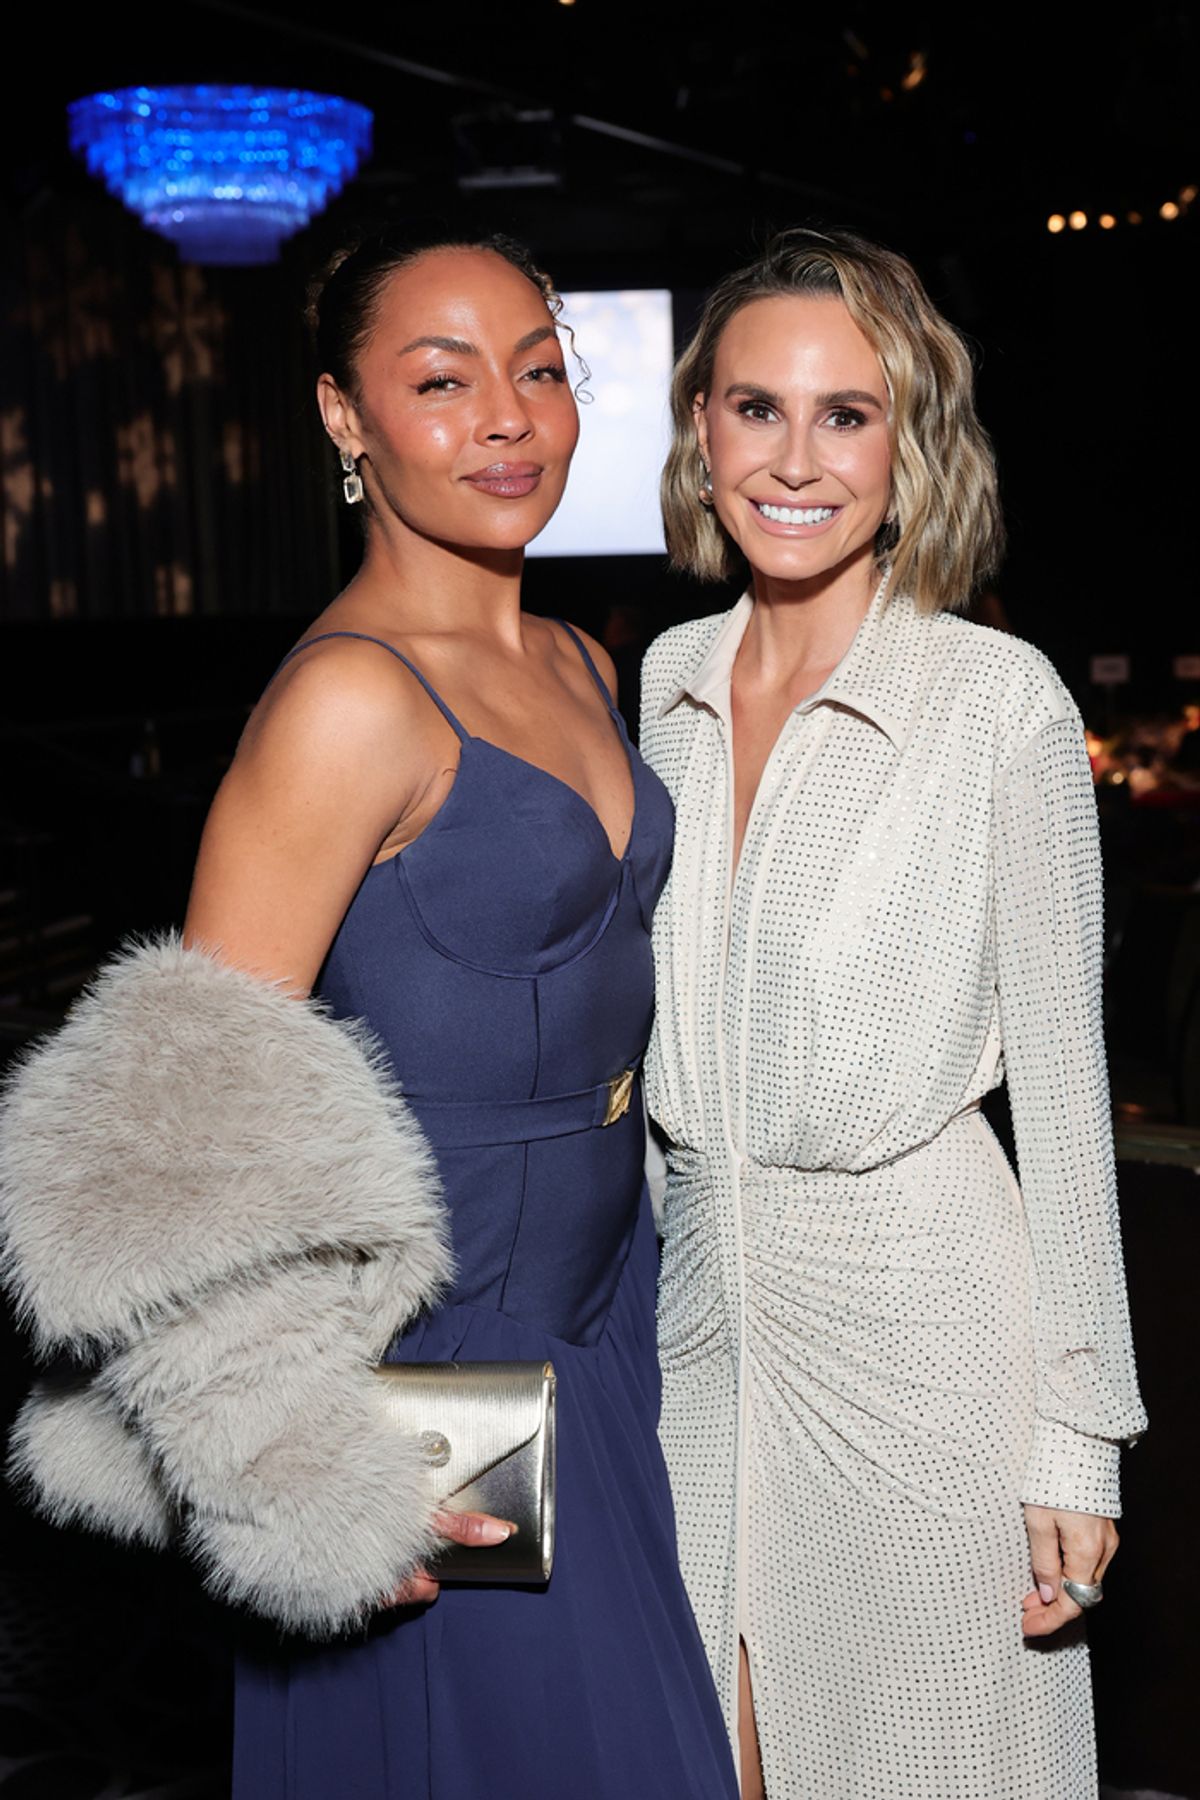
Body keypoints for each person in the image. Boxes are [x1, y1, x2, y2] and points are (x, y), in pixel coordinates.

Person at [0, 229, 737, 1800]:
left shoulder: (576, 658)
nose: (507, 417)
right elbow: (165, 1138)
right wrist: (293, 1481)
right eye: (441, 379)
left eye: (539, 370)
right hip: (437, 1379)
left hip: (608, 1330)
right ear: (346, 419)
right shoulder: (348, 700)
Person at [639, 226, 1147, 1800]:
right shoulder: (656, 683)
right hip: (700, 1343)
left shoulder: (999, 701)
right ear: (701, 432)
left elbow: (1067, 1106)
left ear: (911, 443)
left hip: (930, 1356)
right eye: (756, 408)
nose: (797, 459)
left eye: (846, 414)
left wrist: (1078, 1442)